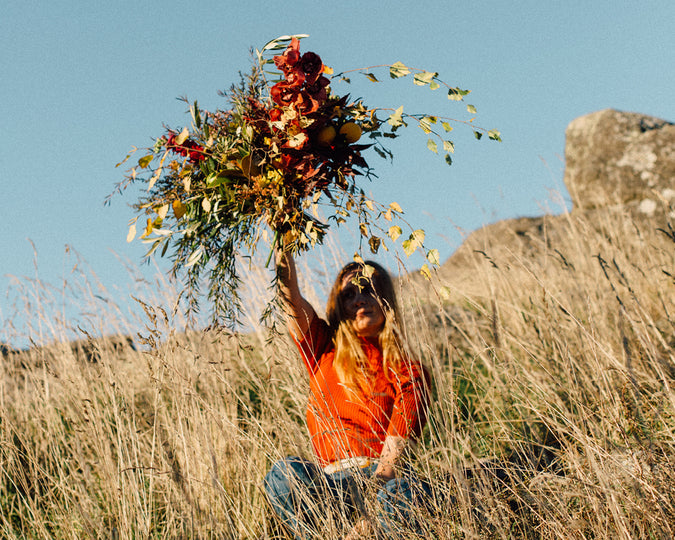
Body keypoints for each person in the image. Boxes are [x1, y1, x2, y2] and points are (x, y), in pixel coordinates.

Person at [264, 250, 432, 539]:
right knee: (284, 473)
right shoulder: (322, 348)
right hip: (330, 486)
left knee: (399, 495)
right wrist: (283, 241)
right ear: (339, 305)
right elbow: (290, 297)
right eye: (349, 294)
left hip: (381, 481)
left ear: (386, 300)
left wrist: (366, 522)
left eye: (369, 290)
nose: (359, 300)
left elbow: (391, 465)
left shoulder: (408, 370)